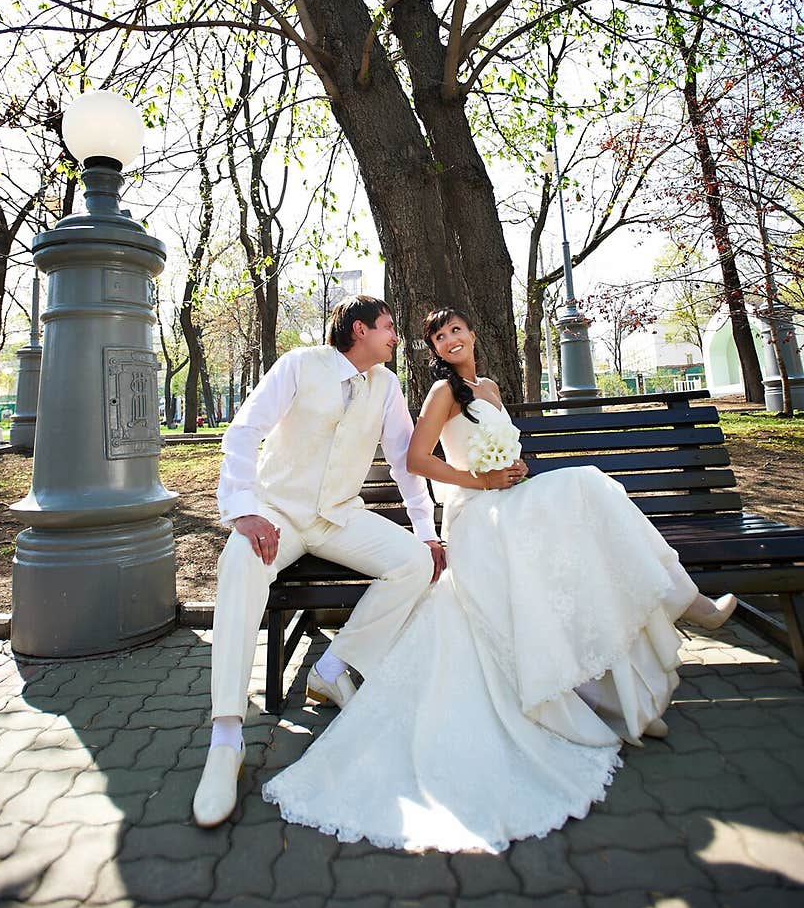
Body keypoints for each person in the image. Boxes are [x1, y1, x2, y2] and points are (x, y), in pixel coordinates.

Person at [261, 306, 736, 854]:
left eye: (457, 329)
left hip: (509, 501)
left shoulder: (488, 387)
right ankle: (684, 602)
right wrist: (478, 481)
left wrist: (513, 474)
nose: (450, 339)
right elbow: (416, 460)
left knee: (589, 511)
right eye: (439, 337)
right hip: (473, 512)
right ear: (436, 351)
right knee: (588, 485)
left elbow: (510, 455)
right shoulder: (441, 394)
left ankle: (627, 689)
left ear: (472, 334)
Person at [193, 296, 446, 828]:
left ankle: (332, 668)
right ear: (360, 330)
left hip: (338, 519)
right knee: (238, 565)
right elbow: (243, 432)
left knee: (414, 564)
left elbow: (403, 463)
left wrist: (425, 532)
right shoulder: (299, 365)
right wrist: (242, 510)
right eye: (388, 327)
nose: (395, 337)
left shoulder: (386, 386)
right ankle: (226, 736)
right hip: (278, 515)